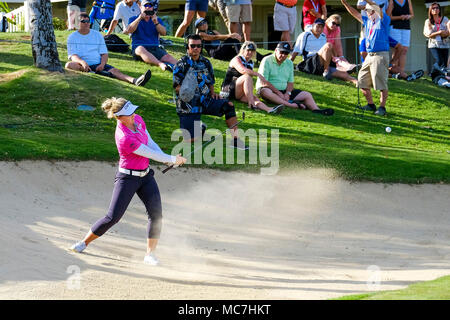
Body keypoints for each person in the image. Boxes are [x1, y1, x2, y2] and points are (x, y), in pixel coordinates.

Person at [70, 97, 187, 265]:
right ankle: (83, 242)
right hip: (128, 178)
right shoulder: (124, 138)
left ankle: (150, 255)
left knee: (156, 215)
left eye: (132, 111)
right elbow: (148, 153)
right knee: (113, 217)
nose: (133, 114)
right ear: (119, 117)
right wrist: (170, 159)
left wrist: (169, 160)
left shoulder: (137, 119)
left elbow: (150, 142)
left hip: (145, 177)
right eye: (128, 113)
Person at [173, 34, 248, 149]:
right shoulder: (181, 64)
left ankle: (236, 140)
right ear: (187, 47)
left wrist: (213, 94)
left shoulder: (206, 63)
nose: (196, 48)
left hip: (205, 100)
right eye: (192, 46)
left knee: (228, 105)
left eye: (199, 46)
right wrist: (190, 89)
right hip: (188, 104)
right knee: (191, 139)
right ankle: (200, 128)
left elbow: (210, 82)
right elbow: (177, 87)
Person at [66, 13, 152, 87]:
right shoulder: (72, 37)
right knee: (69, 65)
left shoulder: (97, 35)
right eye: (83, 21)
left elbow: (104, 54)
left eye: (88, 21)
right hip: (82, 65)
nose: (86, 23)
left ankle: (135, 81)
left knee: (115, 71)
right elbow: (73, 56)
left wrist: (102, 64)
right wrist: (83, 62)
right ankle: (95, 73)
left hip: (98, 64)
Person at [256, 41, 334, 115]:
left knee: (307, 94)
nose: (283, 55)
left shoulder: (289, 63)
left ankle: (316, 110)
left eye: (286, 53)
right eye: (281, 52)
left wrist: (287, 93)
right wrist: (278, 93)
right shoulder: (266, 60)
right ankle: (291, 105)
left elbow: (290, 82)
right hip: (269, 89)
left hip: (284, 91)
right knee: (265, 91)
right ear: (276, 50)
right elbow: (264, 81)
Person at [341, 0, 390, 116]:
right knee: (362, 81)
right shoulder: (367, 21)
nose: (368, 12)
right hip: (369, 56)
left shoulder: (383, 19)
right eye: (367, 11)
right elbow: (354, 13)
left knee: (381, 83)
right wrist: (345, 4)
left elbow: (377, 7)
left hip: (380, 55)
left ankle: (382, 107)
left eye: (370, 10)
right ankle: (371, 105)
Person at [221, 41, 284, 114]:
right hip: (228, 89)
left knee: (255, 98)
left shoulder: (251, 63)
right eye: (248, 50)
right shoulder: (236, 59)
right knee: (247, 77)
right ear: (243, 50)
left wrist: (276, 91)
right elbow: (243, 70)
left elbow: (248, 81)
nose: (250, 53)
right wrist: (258, 74)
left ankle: (269, 109)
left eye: (252, 51)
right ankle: (251, 104)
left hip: (238, 92)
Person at [291, 18, 357, 85]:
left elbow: (326, 52)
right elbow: (296, 50)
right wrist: (289, 64)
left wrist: (334, 58)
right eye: (318, 26)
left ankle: (356, 81)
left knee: (343, 73)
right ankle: (326, 71)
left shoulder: (323, 36)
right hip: (310, 61)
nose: (319, 29)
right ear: (313, 25)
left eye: (322, 27)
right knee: (329, 45)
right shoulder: (305, 35)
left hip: (322, 62)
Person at [125, 0, 177, 72]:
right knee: (140, 49)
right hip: (139, 48)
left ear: (152, 8)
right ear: (140, 7)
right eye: (145, 6)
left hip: (154, 48)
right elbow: (129, 30)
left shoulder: (157, 20)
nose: (148, 8)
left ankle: (184, 68)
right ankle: (160, 64)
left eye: (150, 6)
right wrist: (139, 18)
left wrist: (156, 23)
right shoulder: (133, 18)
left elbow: (164, 33)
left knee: (168, 57)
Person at [386, 0, 413, 81]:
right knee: (398, 49)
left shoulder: (408, 1)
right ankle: (394, 71)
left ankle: (401, 71)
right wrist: (400, 17)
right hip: (395, 27)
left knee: (404, 50)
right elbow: (388, 16)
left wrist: (409, 16)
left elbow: (412, 14)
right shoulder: (392, 1)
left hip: (406, 27)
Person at [423, 2, 449, 72]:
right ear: (430, 10)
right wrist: (439, 32)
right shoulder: (428, 21)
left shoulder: (445, 19)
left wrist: (441, 33)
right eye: (433, 8)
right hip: (433, 44)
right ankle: (432, 73)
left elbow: (447, 32)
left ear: (439, 10)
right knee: (439, 60)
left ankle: (440, 77)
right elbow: (428, 34)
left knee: (444, 64)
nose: (435, 9)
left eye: (437, 8)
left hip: (444, 44)